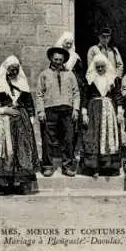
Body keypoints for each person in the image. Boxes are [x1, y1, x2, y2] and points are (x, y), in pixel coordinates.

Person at [0, 56, 39, 195]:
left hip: (22, 123)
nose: (13, 72)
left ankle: (21, 184)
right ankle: (2, 185)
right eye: (11, 69)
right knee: (3, 151)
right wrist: (4, 109)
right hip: (4, 121)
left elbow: (29, 103)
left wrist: (31, 120)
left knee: (21, 151)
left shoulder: (23, 84)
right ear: (6, 70)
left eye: (16, 69)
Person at [36, 46, 80, 177]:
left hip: (67, 110)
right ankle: (47, 166)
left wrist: (76, 109)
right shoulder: (44, 75)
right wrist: (40, 111)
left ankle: (67, 166)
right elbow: (39, 94)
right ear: (51, 59)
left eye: (60, 59)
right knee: (48, 139)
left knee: (68, 138)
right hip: (50, 110)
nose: (58, 62)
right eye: (55, 59)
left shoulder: (70, 74)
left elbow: (76, 93)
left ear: (64, 60)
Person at [81, 53, 125, 178]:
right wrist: (84, 113)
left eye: (102, 67)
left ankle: (109, 167)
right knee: (94, 137)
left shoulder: (113, 79)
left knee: (108, 137)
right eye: (98, 67)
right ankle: (94, 168)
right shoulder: (90, 79)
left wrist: (120, 111)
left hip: (108, 111)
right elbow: (85, 96)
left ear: (106, 66)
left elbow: (117, 95)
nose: (100, 69)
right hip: (93, 110)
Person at [54, 32, 86, 165]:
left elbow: (80, 74)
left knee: (74, 125)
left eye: (70, 43)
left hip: (75, 91)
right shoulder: (57, 58)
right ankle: (62, 154)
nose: (68, 45)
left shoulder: (75, 57)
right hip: (61, 92)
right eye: (66, 42)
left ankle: (73, 153)